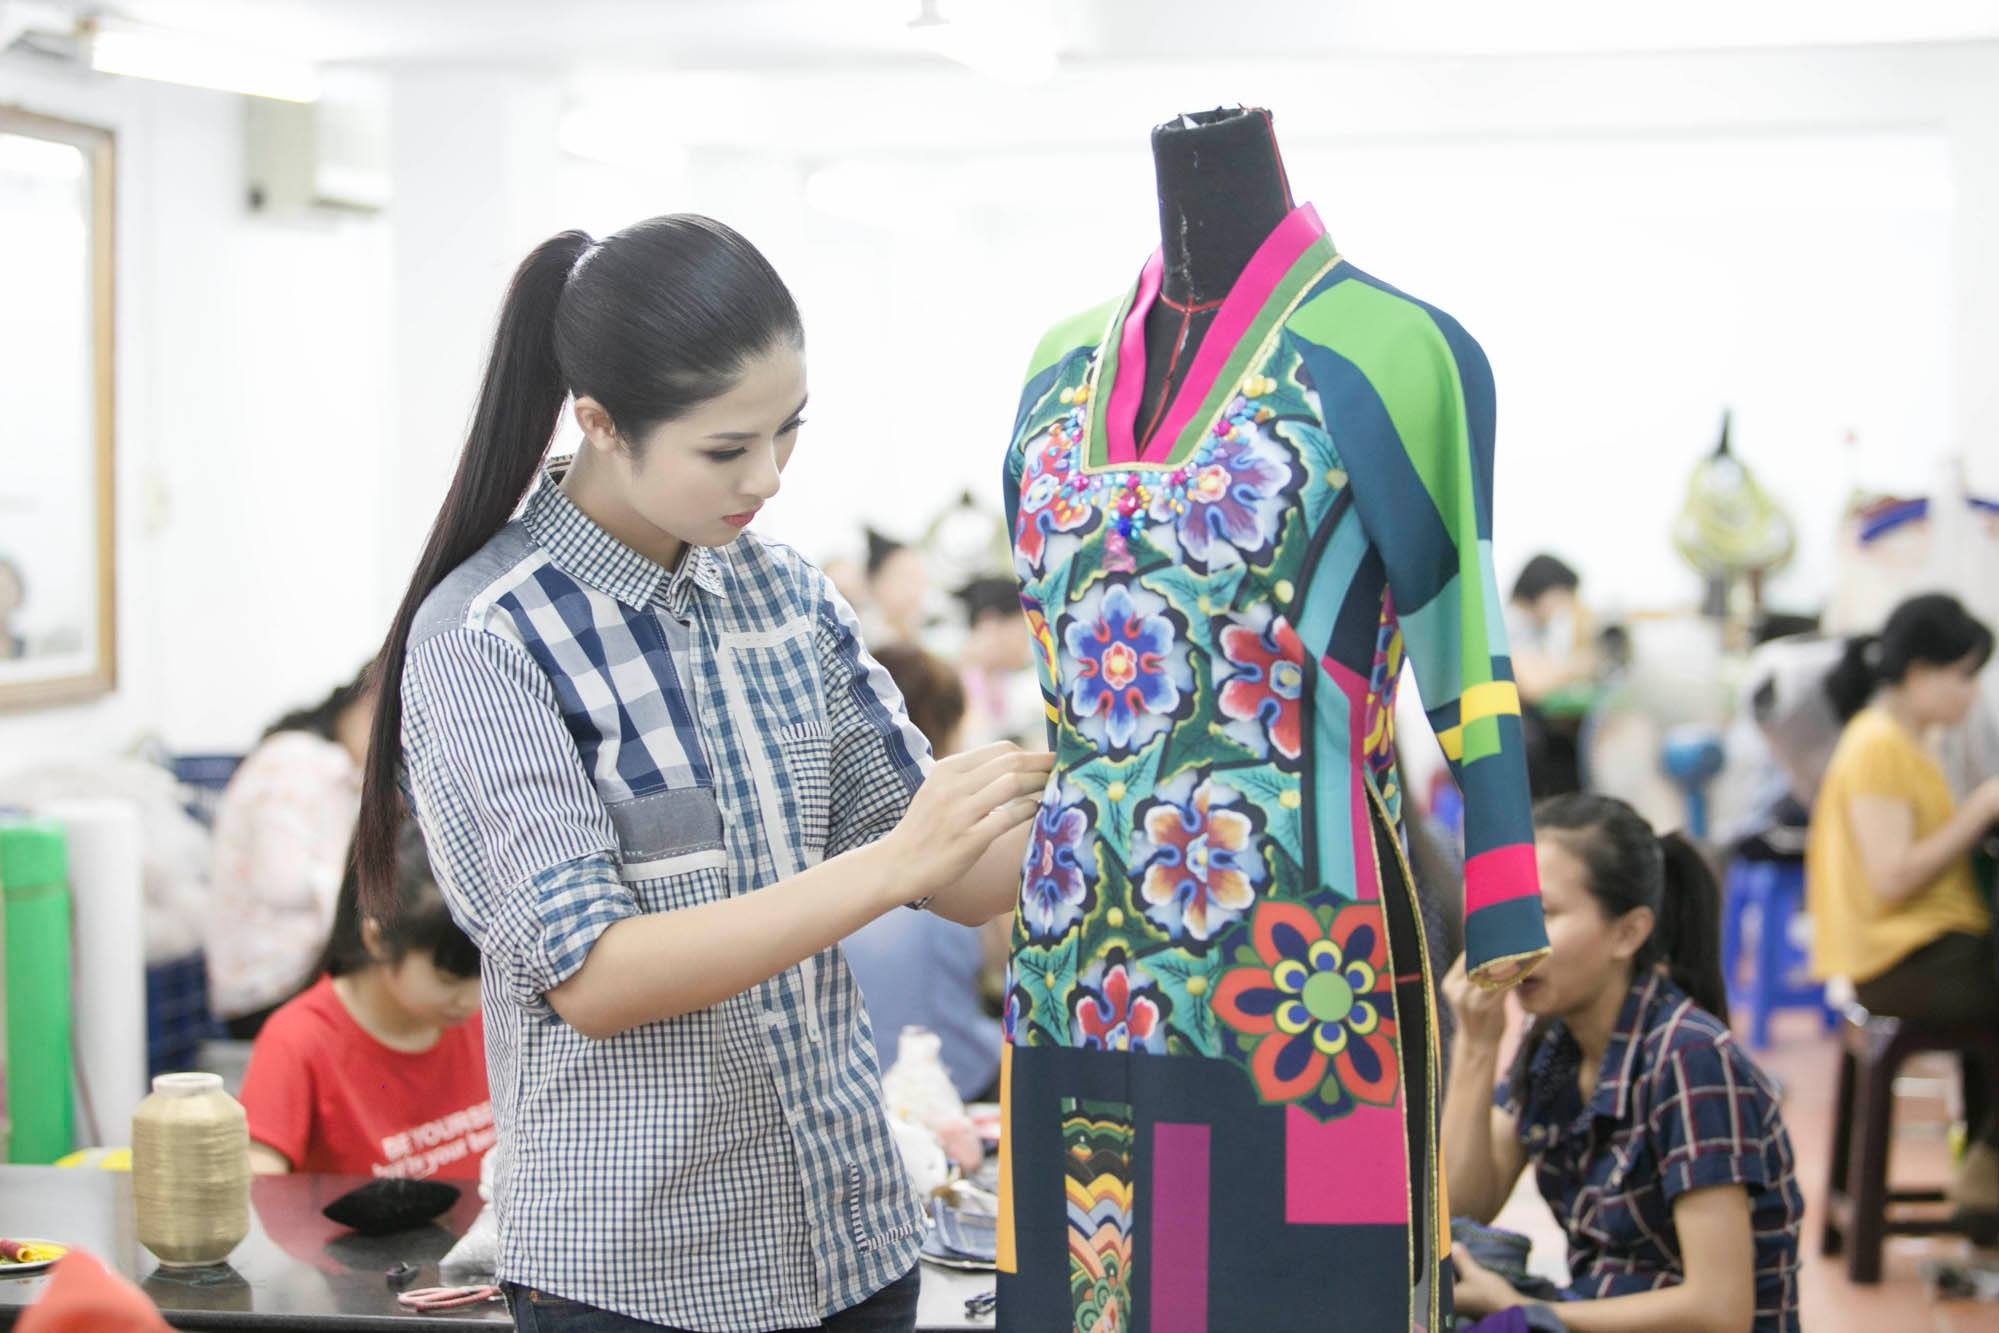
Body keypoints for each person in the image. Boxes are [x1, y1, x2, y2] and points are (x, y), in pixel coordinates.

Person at [354, 215, 1049, 1333]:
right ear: (600, 423)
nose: (766, 476)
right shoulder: (486, 637)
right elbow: (597, 978)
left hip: (853, 1241)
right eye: (727, 449)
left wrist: (1121, 766)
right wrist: (892, 864)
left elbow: (961, 880)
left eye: (788, 431)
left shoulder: (786, 595)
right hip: (640, 1279)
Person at [1443, 794, 1803, 1332]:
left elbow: (1720, 1312)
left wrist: (1526, 1311)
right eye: (1505, 911)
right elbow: (1463, 1210)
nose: (1512, 940)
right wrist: (1476, 1047)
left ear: (1628, 932)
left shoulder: (1689, 1058)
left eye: (1541, 913)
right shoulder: (1551, 1048)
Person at [1808, 592, 1999, 1211]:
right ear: (1919, 672)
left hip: (1921, 947)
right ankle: (1988, 1165)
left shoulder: (1908, 741)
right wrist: (1982, 808)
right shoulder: (1879, 745)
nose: (1971, 693)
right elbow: (1891, 877)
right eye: (1963, 675)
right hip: (1899, 958)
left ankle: (1986, 1166)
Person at [239, 818, 489, 1180]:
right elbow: (258, 1186)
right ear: (377, 938)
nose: (470, 1000)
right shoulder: (298, 1043)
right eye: (449, 978)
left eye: (486, 977)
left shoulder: (486, 1022)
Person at [841, 643, 1005, 1102]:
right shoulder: (961, 838)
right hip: (959, 1080)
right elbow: (1011, 960)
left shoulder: (824, 836)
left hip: (855, 1082)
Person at [204, 664, 376, 1037]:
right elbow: (280, 883)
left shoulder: (329, 768)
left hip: (289, 977)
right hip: (268, 986)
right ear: (368, 706)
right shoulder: (296, 762)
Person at [1507, 554, 1596, 796]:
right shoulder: (1512, 624)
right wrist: (1578, 666)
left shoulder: (1531, 629)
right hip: (1524, 744)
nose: (1565, 608)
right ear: (1548, 590)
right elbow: (1534, 686)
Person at [952, 575, 1042, 750]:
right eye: (1025, 629)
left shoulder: (997, 681)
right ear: (990, 622)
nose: (1028, 642)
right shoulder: (955, 686)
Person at [862, 526, 929, 648]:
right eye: (906, 578)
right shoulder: (857, 639)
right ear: (875, 581)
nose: (914, 591)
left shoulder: (925, 640)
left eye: (918, 580)